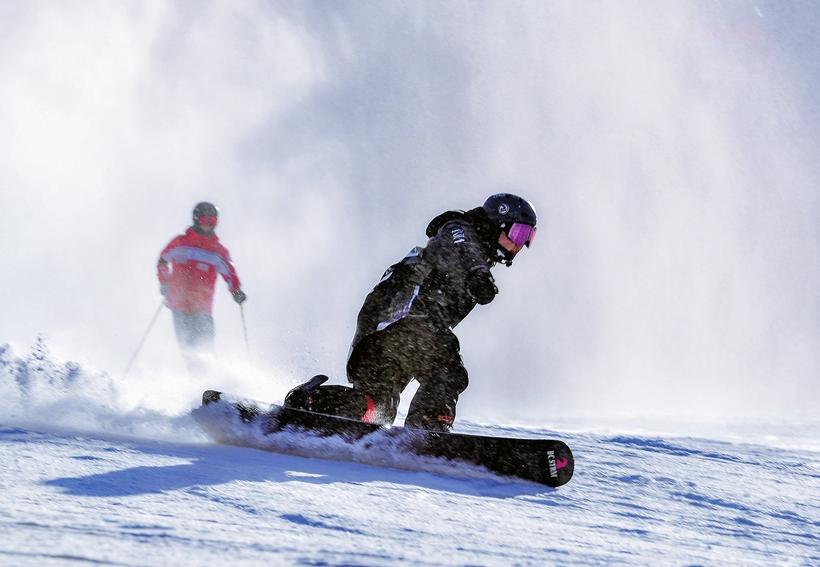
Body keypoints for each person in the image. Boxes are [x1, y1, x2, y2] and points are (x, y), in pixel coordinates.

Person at [284, 193, 537, 432]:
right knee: (447, 370)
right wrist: (478, 273)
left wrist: (479, 273)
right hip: (402, 319)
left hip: (386, 331)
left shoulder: (469, 244)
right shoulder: (459, 230)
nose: (520, 244)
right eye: (519, 232)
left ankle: (313, 404)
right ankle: (427, 426)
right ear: (497, 223)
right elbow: (464, 249)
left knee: (378, 409)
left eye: (529, 236)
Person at [157, 202, 247, 374]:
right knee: (188, 348)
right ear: (197, 220)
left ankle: (211, 382)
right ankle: (196, 384)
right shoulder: (179, 243)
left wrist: (236, 291)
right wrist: (165, 282)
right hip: (179, 306)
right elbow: (162, 262)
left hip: (202, 307)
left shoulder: (217, 251)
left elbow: (229, 272)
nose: (210, 225)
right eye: (207, 220)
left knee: (205, 347)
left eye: (214, 221)